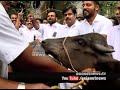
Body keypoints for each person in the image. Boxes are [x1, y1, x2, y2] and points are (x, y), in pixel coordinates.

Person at [0, 1, 72, 89]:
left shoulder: (58, 28)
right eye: (48, 16)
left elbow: (37, 46)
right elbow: (22, 53)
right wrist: (73, 75)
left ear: (56, 18)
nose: (13, 3)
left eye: (52, 16)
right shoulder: (23, 30)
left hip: (46, 57)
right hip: (27, 57)